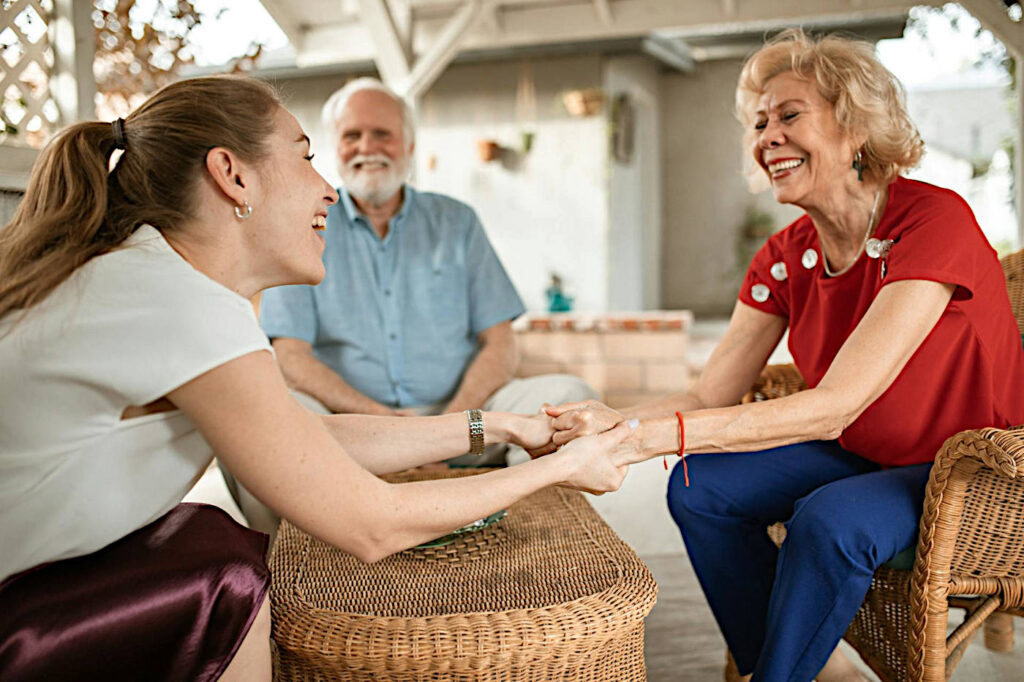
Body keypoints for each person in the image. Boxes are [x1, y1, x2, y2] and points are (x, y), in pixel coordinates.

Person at [0, 75, 639, 681]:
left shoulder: (152, 276)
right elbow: (374, 524)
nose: (328, 189)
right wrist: (559, 467)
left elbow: (306, 435)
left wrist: (504, 426)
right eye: (306, 157)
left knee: (212, 539)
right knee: (228, 568)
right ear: (232, 175)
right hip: (14, 609)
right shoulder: (178, 302)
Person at [542, 30, 1024, 682]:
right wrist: (614, 421)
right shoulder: (786, 254)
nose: (766, 135)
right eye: (759, 122)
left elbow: (834, 406)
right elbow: (710, 395)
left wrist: (643, 441)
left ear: (856, 126)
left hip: (965, 470)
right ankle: (820, 669)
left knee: (829, 520)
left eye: (790, 115)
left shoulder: (932, 221)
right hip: (863, 449)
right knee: (697, 488)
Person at [257, 77, 596, 460]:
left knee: (570, 398)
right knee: (262, 414)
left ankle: (533, 517)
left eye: (382, 134)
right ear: (335, 147)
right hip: (354, 432)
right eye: (352, 136)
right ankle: (302, 523)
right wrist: (379, 418)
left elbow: (500, 342)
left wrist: (451, 425)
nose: (367, 148)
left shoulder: (457, 222)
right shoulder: (303, 227)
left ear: (410, 146)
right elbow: (290, 356)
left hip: (469, 425)